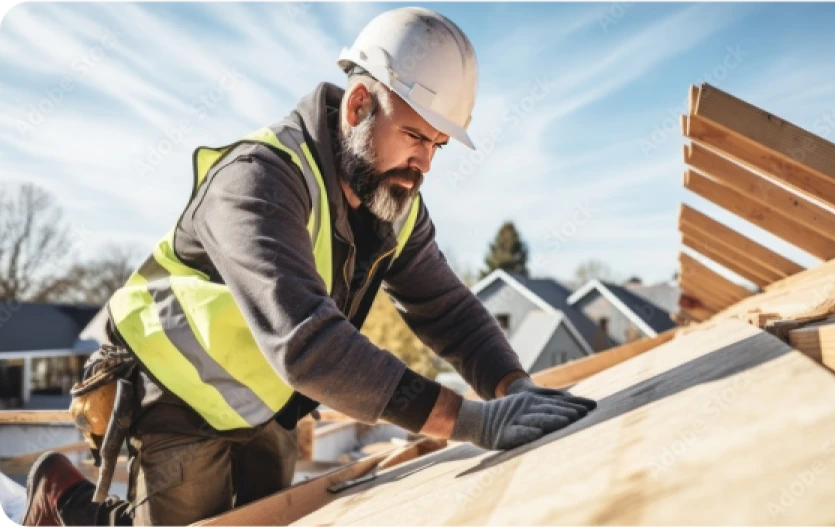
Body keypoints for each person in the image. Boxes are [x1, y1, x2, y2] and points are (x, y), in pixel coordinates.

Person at [22, 7, 596, 527]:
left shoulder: (391, 198)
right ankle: (63, 497)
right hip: (176, 390)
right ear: (359, 105)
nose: (423, 163)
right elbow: (308, 345)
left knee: (268, 519)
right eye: (415, 135)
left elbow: (446, 309)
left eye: (438, 145)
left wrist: (514, 387)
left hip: (268, 398)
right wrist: (473, 422)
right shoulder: (259, 179)